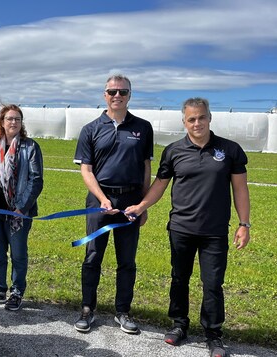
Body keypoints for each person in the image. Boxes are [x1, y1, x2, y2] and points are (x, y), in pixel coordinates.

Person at [124, 97, 251, 357]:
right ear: (184, 121)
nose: (197, 123)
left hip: (214, 232)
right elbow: (160, 185)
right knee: (179, 279)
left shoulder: (229, 150)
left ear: (209, 118)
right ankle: (179, 325)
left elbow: (240, 188)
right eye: (191, 119)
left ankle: (214, 335)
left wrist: (244, 223)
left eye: (201, 117)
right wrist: (140, 206)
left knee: (213, 284)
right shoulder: (173, 151)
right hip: (181, 228)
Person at [72, 74, 153, 334]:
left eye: (123, 92)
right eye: (112, 91)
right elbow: (86, 170)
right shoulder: (91, 129)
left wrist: (143, 204)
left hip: (130, 201)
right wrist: (103, 199)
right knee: (92, 256)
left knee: (127, 260)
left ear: (130, 95)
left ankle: (123, 311)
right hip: (99, 200)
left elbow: (146, 168)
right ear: (104, 95)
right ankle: (87, 309)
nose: (117, 95)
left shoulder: (143, 127)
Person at [0, 104, 44, 312]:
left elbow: (36, 180)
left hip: (17, 213)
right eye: (9, 119)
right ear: (2, 123)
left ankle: (16, 292)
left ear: (21, 124)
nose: (13, 122)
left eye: (17, 119)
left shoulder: (30, 147)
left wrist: (22, 207)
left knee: (18, 253)